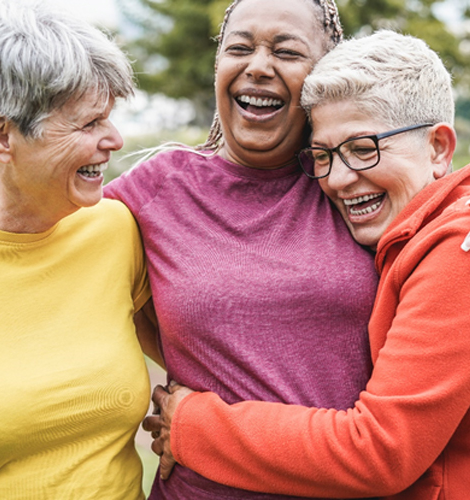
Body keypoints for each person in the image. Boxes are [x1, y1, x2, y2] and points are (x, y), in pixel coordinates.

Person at [143, 30, 470, 499]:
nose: (338, 179)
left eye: (363, 149)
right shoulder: (419, 238)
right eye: (323, 156)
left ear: (438, 148)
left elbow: (380, 451)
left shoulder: (458, 251)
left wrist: (192, 424)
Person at [105, 0, 379, 499]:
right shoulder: (156, 191)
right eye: (240, 48)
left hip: (351, 482)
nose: (257, 65)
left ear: (324, 75)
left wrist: (194, 419)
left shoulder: (355, 183)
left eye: (286, 51)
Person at [0, 1, 155, 498]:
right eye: (88, 124)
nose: (114, 139)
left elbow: (198, 362)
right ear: (0, 135)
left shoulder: (115, 230)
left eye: (110, 118)